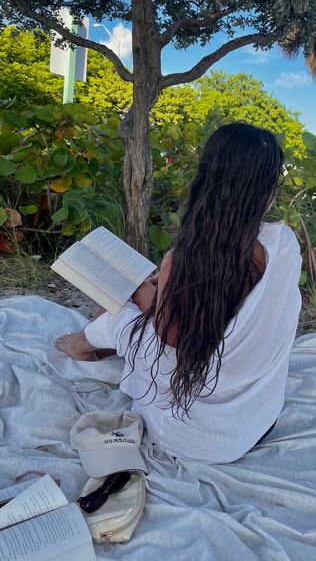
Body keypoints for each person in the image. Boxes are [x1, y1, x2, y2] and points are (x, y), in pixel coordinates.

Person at [56, 122, 302, 464]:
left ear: (206, 180)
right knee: (132, 309)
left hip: (193, 437)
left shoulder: (189, 258)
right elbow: (237, 316)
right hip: (259, 420)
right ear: (267, 191)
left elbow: (164, 360)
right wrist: (162, 293)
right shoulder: (285, 244)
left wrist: (143, 299)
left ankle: (81, 343)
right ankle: (102, 330)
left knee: (113, 317)